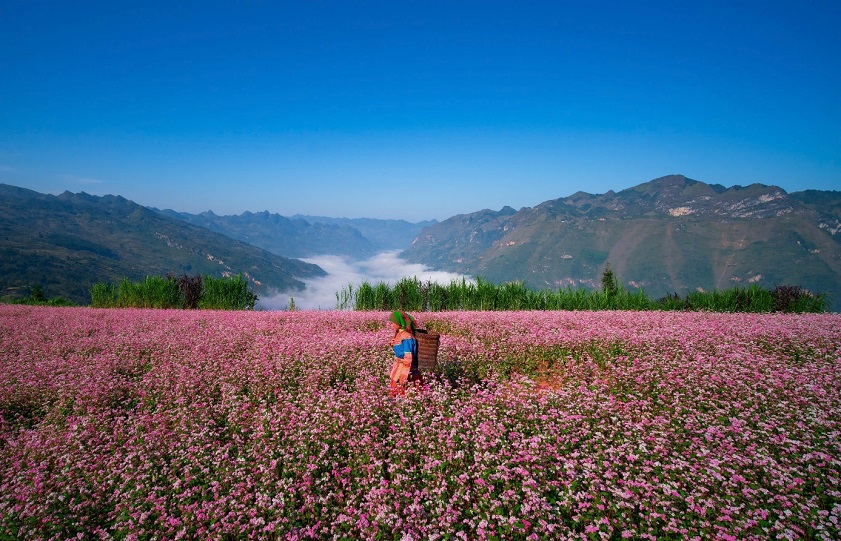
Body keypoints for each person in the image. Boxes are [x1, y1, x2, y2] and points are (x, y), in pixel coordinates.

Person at [388, 310, 420, 396]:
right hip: (399, 365)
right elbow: (400, 348)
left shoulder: (407, 336)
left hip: (406, 367)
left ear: (399, 323)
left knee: (404, 389)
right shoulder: (400, 334)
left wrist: (404, 373)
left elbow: (408, 355)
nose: (391, 325)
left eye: (393, 323)